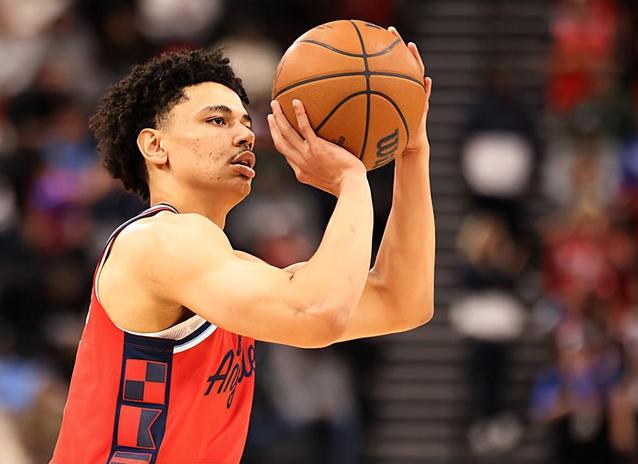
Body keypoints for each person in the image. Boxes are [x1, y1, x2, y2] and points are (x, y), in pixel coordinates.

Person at [50, 26, 434, 464]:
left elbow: (402, 302)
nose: (245, 135)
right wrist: (351, 181)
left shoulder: (228, 269)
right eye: (217, 120)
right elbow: (317, 313)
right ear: (155, 145)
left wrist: (412, 151)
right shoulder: (158, 241)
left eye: (246, 122)